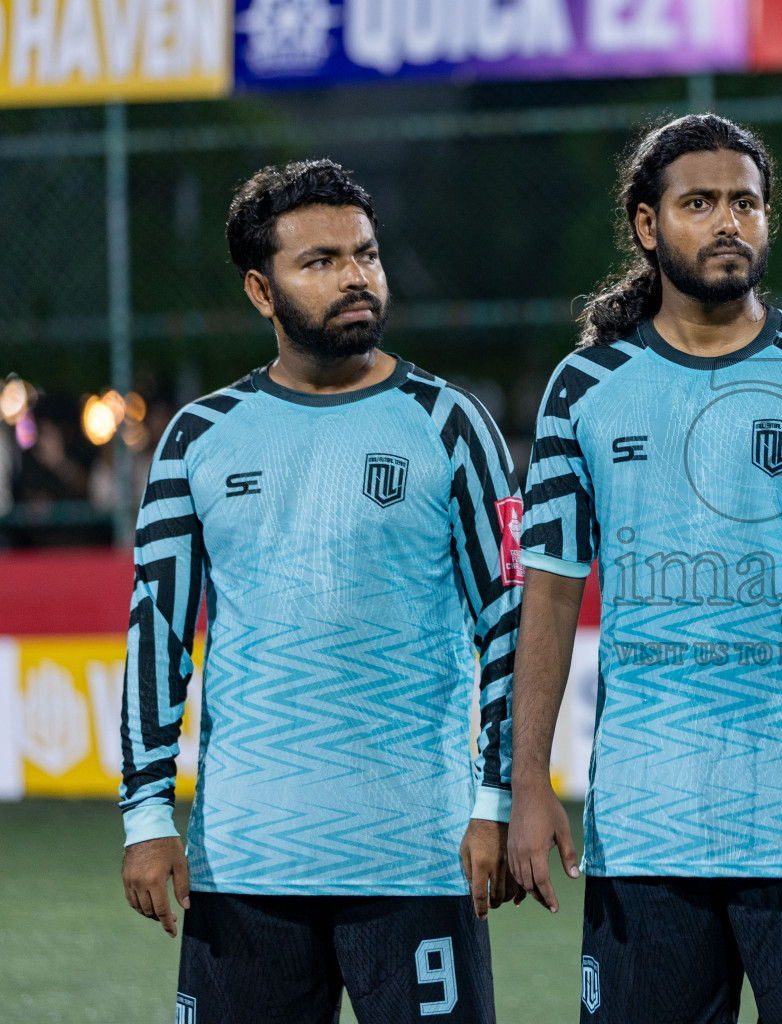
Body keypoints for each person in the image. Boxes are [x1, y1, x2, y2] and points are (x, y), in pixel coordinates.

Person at [508, 114, 782, 1023]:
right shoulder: (586, 388)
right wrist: (528, 781)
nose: (729, 222)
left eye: (746, 203)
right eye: (700, 203)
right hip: (647, 830)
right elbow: (550, 599)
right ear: (648, 227)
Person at [118, 159, 520, 1023]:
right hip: (246, 866)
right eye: (322, 261)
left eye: (366, 255)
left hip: (418, 860)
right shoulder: (199, 438)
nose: (355, 278)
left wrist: (497, 799)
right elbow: (157, 629)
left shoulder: (453, 423)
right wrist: (145, 814)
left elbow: (512, 621)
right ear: (263, 291)